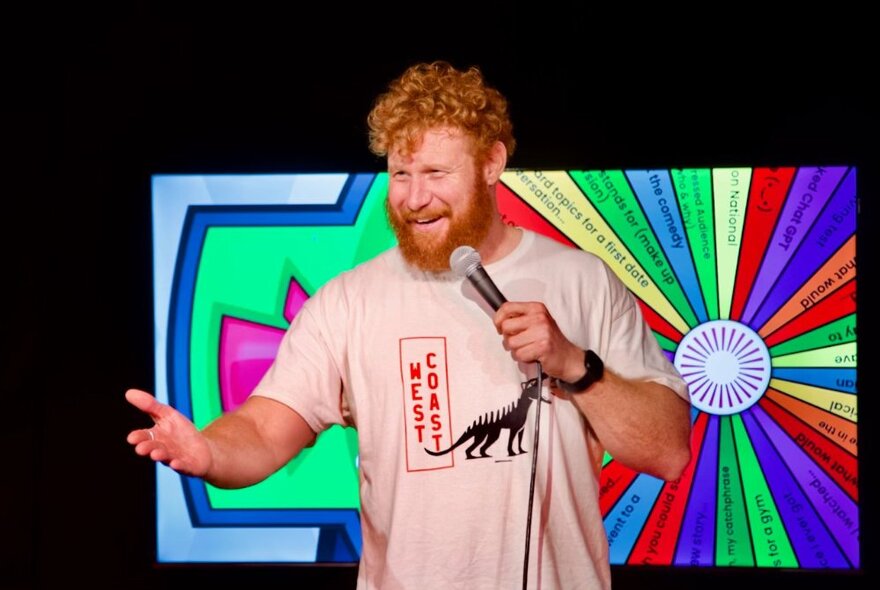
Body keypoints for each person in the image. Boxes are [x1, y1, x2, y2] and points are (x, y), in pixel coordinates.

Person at [127, 60, 692, 589]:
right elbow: (265, 428)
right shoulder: (348, 301)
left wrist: (577, 366)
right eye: (401, 173)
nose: (415, 198)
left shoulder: (583, 281)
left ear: (492, 163)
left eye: (436, 172)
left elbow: (668, 451)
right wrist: (209, 452)